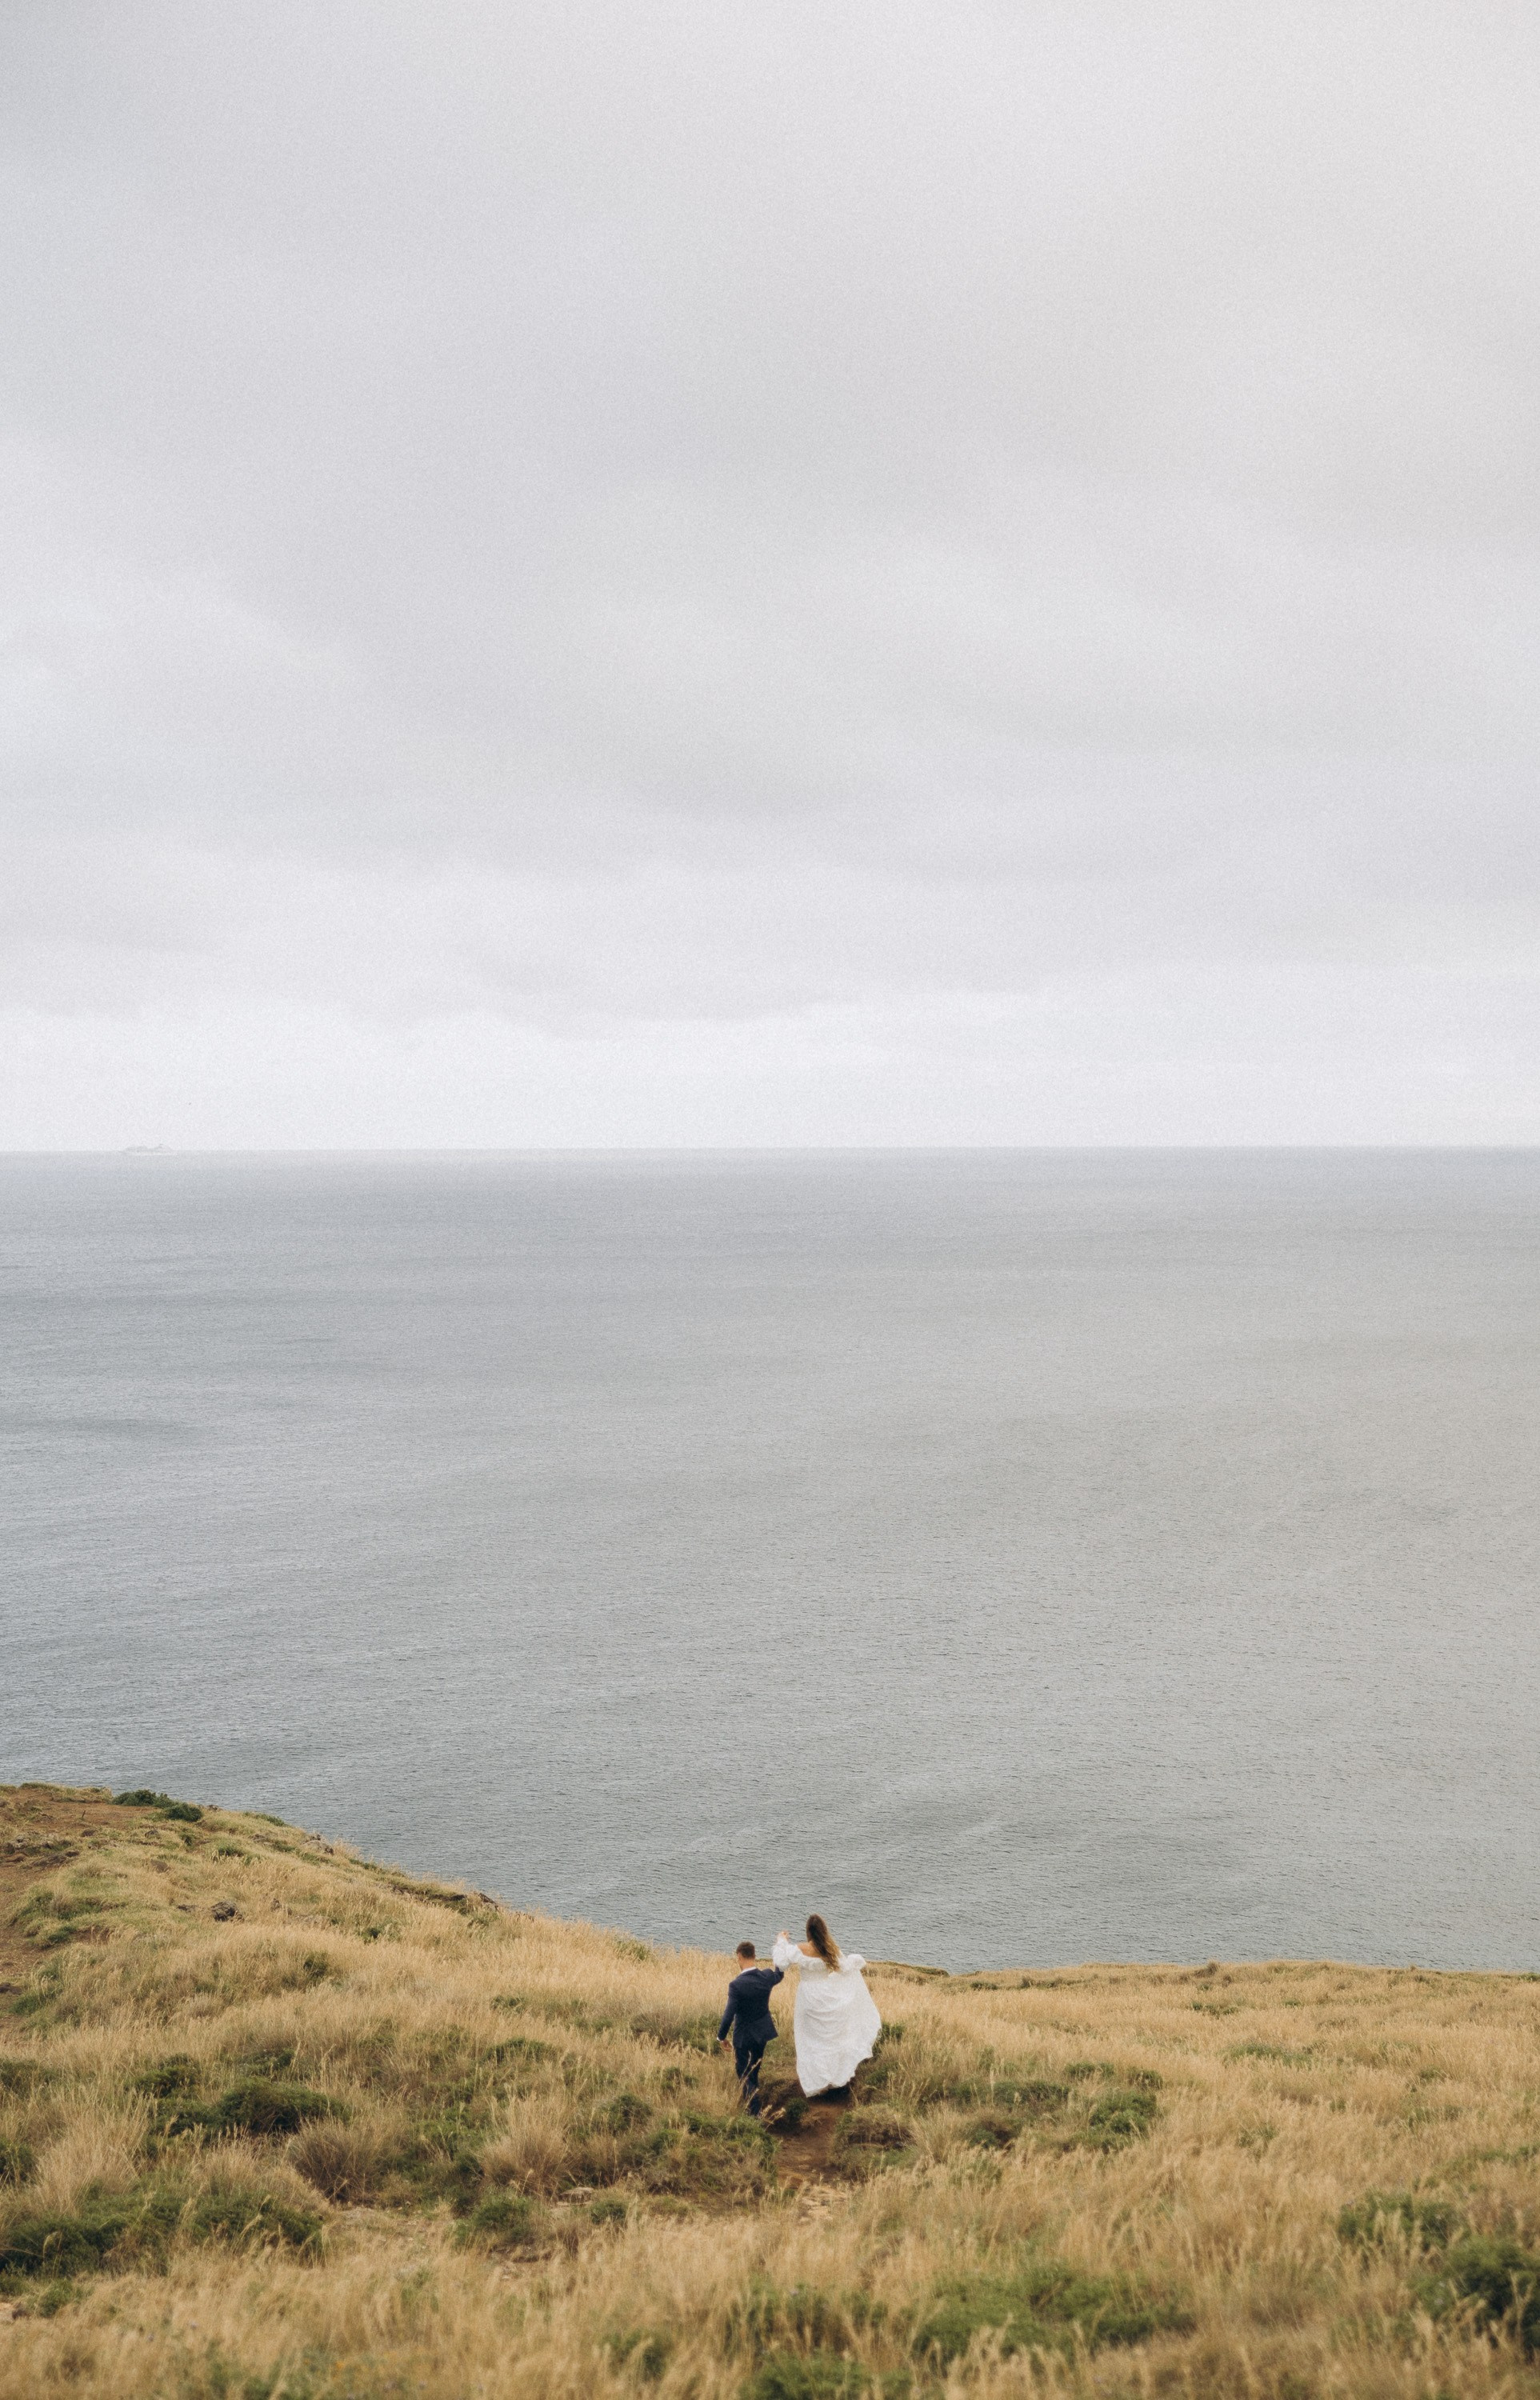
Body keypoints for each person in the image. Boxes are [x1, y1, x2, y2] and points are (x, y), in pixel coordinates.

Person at [770, 1914, 882, 2096]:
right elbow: (845, 1968)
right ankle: (834, 2077)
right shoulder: (830, 1949)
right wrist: (856, 1960)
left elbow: (781, 1964)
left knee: (810, 2040)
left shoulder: (801, 1949)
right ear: (823, 1931)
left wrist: (781, 1941)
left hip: (808, 1996)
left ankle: (819, 2082)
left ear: (808, 1931)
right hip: (826, 1994)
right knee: (828, 2040)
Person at [716, 1939, 784, 2117]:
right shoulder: (766, 1977)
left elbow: (729, 2014)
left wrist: (721, 2037)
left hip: (743, 2036)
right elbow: (779, 1973)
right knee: (754, 2069)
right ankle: (752, 2103)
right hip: (762, 2033)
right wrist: (780, 1946)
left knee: (743, 2072)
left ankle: (755, 2112)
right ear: (754, 1956)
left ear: (739, 1957)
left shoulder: (736, 1985)